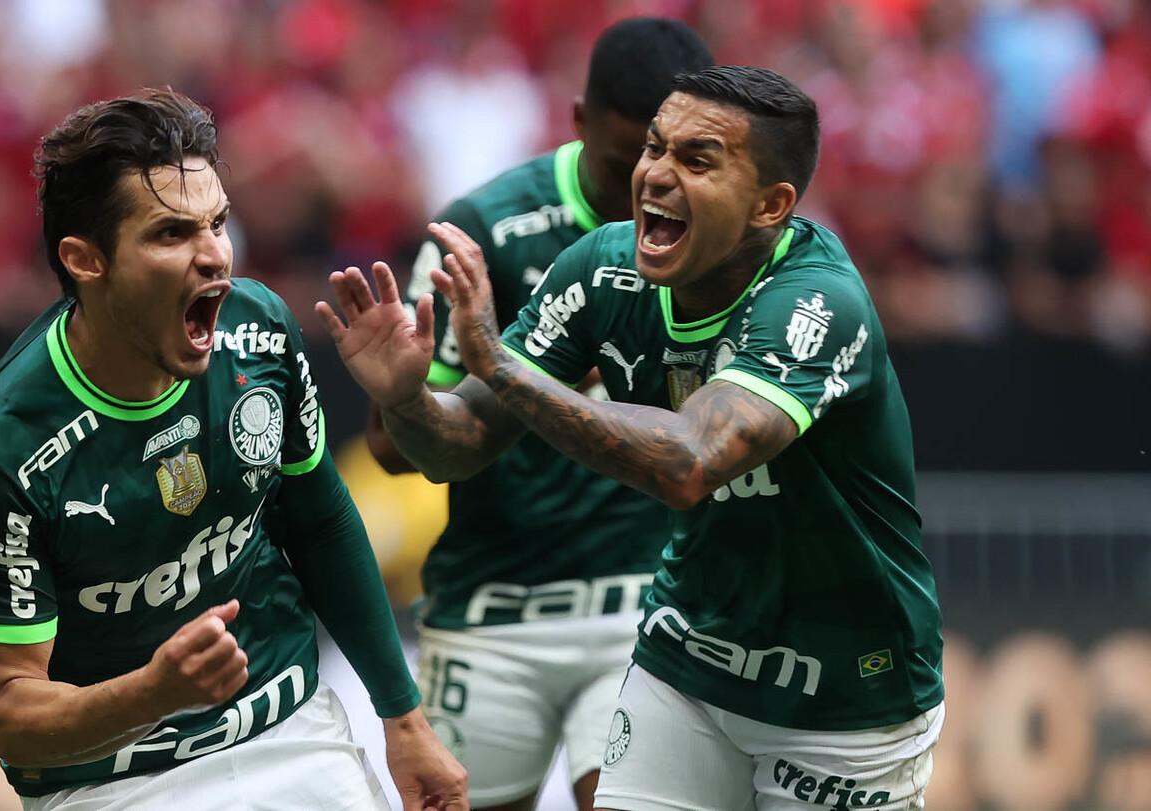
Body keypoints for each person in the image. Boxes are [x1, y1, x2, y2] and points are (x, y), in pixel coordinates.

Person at [319, 66, 944, 810]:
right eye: (656, 147)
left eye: (697, 160)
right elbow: (458, 444)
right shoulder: (601, 269)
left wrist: (500, 366)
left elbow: (690, 462)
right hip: (688, 664)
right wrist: (404, 399)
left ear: (770, 205)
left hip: (849, 693)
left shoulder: (817, 302)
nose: (657, 174)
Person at [0, 88, 467, 811]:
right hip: (110, 781)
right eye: (171, 234)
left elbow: (319, 522)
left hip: (292, 729)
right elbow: (9, 713)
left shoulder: (258, 331)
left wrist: (403, 720)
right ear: (85, 260)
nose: (216, 254)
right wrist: (153, 692)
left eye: (218, 222)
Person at [366, 17, 713, 811]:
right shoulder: (485, 230)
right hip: (491, 607)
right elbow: (390, 446)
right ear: (580, 120)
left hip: (645, 602)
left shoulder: (716, 240)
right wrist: (521, 377)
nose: (649, 190)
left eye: (679, 163)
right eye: (629, 161)